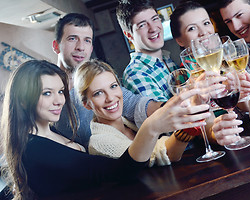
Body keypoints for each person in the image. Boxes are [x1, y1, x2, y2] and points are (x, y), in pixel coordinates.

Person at [0, 60, 213, 199]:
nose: (58, 101)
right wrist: (152, 126)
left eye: (60, 91)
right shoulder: (34, 149)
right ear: (22, 99)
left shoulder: (52, 135)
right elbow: (119, 171)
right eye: (47, 93)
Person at [73, 59, 229, 167]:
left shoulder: (129, 122)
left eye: (113, 86)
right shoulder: (99, 142)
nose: (110, 98)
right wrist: (188, 119)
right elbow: (157, 156)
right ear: (86, 104)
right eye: (98, 93)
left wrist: (195, 105)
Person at [52, 13, 162, 147]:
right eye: (72, 38)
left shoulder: (98, 80)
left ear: (91, 48)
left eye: (87, 40)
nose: (81, 47)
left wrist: (173, 106)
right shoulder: (45, 92)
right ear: (56, 46)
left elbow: (134, 103)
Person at [116, 0, 178, 101]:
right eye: (142, 25)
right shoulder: (135, 74)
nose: (153, 28)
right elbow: (169, 115)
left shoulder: (166, 59)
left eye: (155, 19)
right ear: (129, 35)